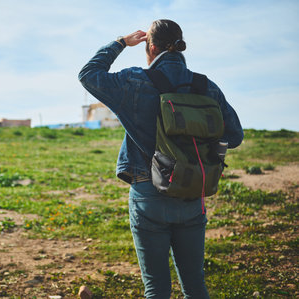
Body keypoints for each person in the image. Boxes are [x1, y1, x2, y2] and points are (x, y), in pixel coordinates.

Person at [78, 19, 243, 298]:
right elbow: (235, 136)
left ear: (151, 47)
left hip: (148, 193)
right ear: (179, 47)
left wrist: (120, 43)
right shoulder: (206, 86)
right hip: (193, 192)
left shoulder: (133, 81)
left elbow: (88, 74)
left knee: (156, 288)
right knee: (194, 286)